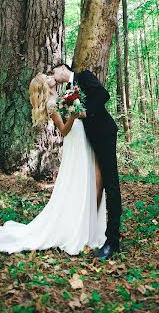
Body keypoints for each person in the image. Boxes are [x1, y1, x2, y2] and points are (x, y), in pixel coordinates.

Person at [0, 72, 107, 256]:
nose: (50, 76)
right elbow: (63, 130)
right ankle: (78, 227)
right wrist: (73, 115)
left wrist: (80, 111)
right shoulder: (51, 104)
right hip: (74, 139)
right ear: (43, 85)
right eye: (46, 76)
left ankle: (89, 224)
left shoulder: (62, 95)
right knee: (79, 179)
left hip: (82, 135)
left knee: (86, 179)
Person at [52, 63, 122, 261]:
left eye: (54, 72)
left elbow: (103, 95)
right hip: (89, 140)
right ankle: (90, 228)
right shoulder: (67, 91)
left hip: (104, 133)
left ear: (63, 68)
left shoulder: (83, 76)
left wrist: (86, 111)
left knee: (111, 183)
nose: (53, 75)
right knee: (94, 184)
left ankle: (112, 241)